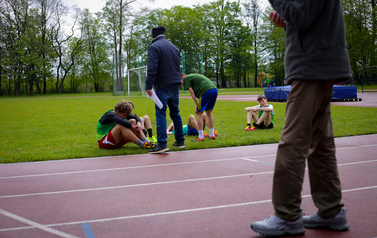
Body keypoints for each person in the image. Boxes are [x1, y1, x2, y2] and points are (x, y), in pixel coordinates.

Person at [250, 1, 351, 237]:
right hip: (320, 64)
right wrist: (287, 22)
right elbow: (304, 18)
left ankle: (287, 216)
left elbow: (301, 14)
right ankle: (330, 210)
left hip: (311, 67)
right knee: (321, 144)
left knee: (293, 142)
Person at [145, 25, 185, 154]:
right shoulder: (173, 47)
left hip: (162, 84)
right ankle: (180, 141)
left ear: (153, 36)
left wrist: (148, 85)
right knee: (175, 112)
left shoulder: (154, 46)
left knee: (161, 112)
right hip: (175, 84)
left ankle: (162, 143)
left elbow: (152, 68)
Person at [181, 73, 218, 141]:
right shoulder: (193, 77)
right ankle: (212, 135)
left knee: (198, 112)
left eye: (181, 83)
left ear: (182, 77)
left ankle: (201, 136)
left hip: (206, 91)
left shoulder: (186, 78)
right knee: (209, 113)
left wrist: (196, 104)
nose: (182, 85)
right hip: (214, 90)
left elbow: (191, 91)